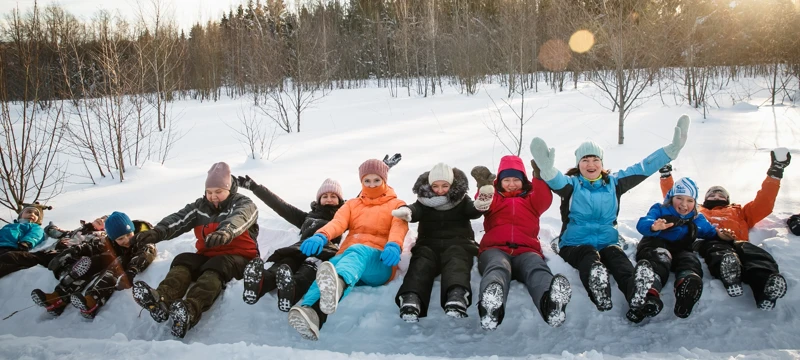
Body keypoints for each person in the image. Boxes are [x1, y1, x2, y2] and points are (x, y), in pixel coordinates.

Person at [529, 115, 690, 323]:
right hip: (575, 243)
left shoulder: (614, 183)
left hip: (607, 241)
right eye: (585, 160)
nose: (591, 164)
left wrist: (670, 151)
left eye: (595, 159)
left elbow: (642, 168)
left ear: (602, 163)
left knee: (619, 261)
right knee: (588, 257)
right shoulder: (571, 185)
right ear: (579, 164)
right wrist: (547, 170)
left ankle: (636, 295)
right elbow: (556, 179)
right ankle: (599, 290)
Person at [238, 153, 400, 312]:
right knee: (285, 262)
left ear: (340, 201)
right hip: (301, 247)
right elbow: (281, 206)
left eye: (333, 196)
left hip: (324, 250)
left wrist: (381, 168)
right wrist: (255, 188)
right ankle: (261, 284)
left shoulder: (346, 213)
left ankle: (292, 291)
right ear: (318, 200)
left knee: (310, 266)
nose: (329, 199)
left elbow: (368, 192)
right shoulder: (306, 217)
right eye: (325, 196)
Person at [131, 162, 259, 338]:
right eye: (209, 192)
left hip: (240, 256)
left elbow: (242, 216)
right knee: (184, 260)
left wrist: (226, 231)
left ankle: (190, 310)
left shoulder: (242, 203)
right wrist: (157, 232)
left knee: (217, 266)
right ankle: (161, 299)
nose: (213, 197)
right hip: (208, 254)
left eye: (218, 192)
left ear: (229, 190)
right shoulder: (200, 207)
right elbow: (179, 219)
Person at [287, 159, 408, 341]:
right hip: (350, 263)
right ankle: (310, 313)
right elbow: (338, 223)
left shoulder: (397, 204)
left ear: (384, 180)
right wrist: (322, 235)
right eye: (367, 181)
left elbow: (399, 226)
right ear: (361, 182)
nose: (372, 185)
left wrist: (394, 245)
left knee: (357, 251)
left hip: (379, 263)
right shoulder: (352, 204)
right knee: (332, 263)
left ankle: (338, 285)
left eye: (376, 180)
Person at [658, 148, 791, 311]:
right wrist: (666, 176)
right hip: (709, 240)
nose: (716, 196)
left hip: (737, 240)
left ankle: (766, 285)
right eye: (712, 195)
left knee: (754, 253)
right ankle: (729, 273)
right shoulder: (696, 210)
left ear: (727, 199)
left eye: (720, 195)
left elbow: (764, 203)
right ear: (705, 199)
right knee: (719, 249)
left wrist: (775, 173)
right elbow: (675, 200)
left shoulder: (739, 211)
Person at [470, 155, 571, 331]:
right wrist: (484, 187)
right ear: (499, 182)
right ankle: (490, 308)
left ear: (523, 180)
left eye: (516, 179)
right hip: (495, 249)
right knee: (497, 267)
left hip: (527, 250)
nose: (511, 184)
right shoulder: (495, 199)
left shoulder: (531, 200)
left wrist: (538, 178)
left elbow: (544, 199)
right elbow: (481, 204)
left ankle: (551, 305)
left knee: (536, 268)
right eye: (506, 180)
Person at [392, 163, 483, 322]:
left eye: (444, 186)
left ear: (452, 184)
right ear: (429, 185)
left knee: (457, 262)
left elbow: (472, 211)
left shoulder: (461, 199)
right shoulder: (424, 200)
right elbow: (415, 210)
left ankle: (456, 294)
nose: (440, 190)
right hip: (429, 244)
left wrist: (480, 205)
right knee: (421, 262)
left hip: (458, 243)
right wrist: (407, 211)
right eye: (435, 186)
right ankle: (412, 297)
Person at [634, 177, 734, 320]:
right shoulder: (660, 209)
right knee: (660, 259)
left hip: (681, 249)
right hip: (656, 244)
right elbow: (643, 223)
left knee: (690, 260)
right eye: (679, 198)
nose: (684, 204)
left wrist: (721, 235)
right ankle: (650, 293)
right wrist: (654, 226)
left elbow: (710, 232)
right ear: (671, 197)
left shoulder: (697, 218)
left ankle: (686, 288)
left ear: (695, 203)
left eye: (689, 200)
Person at [30, 212, 155, 319]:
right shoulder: (110, 240)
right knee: (90, 263)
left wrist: (133, 270)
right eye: (120, 239)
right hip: (117, 258)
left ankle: (92, 300)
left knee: (115, 267)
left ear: (132, 230)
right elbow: (95, 245)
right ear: (113, 238)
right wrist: (74, 251)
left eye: (128, 235)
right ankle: (58, 297)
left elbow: (146, 253)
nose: (126, 240)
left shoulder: (144, 237)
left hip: (129, 262)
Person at [0, 215, 108, 279]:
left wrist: (73, 248)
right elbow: (59, 233)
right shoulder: (77, 231)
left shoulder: (97, 237)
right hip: (50, 252)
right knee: (10, 259)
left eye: (105, 221)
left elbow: (91, 249)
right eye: (101, 217)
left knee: (12, 257)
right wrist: (51, 228)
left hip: (64, 256)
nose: (101, 220)